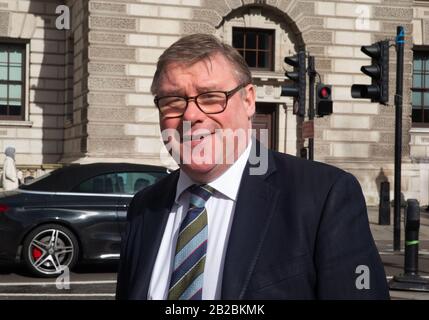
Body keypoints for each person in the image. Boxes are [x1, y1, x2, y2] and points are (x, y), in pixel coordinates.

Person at [116, 34, 389, 300]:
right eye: (173, 101)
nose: (191, 115)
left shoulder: (324, 197)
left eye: (211, 97)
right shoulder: (144, 207)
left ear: (248, 101)